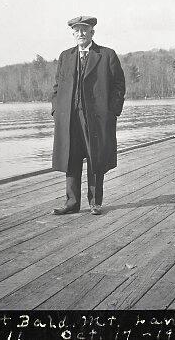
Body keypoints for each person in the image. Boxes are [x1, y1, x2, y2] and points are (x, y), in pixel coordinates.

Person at [51, 15, 126, 215]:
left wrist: (112, 112)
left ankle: (95, 203)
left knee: (96, 158)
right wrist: (56, 110)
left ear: (92, 32)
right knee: (70, 158)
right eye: (76, 30)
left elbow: (119, 85)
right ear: (73, 33)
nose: (80, 33)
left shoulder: (106, 55)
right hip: (69, 118)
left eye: (84, 30)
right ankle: (72, 203)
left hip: (96, 118)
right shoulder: (65, 56)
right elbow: (57, 86)